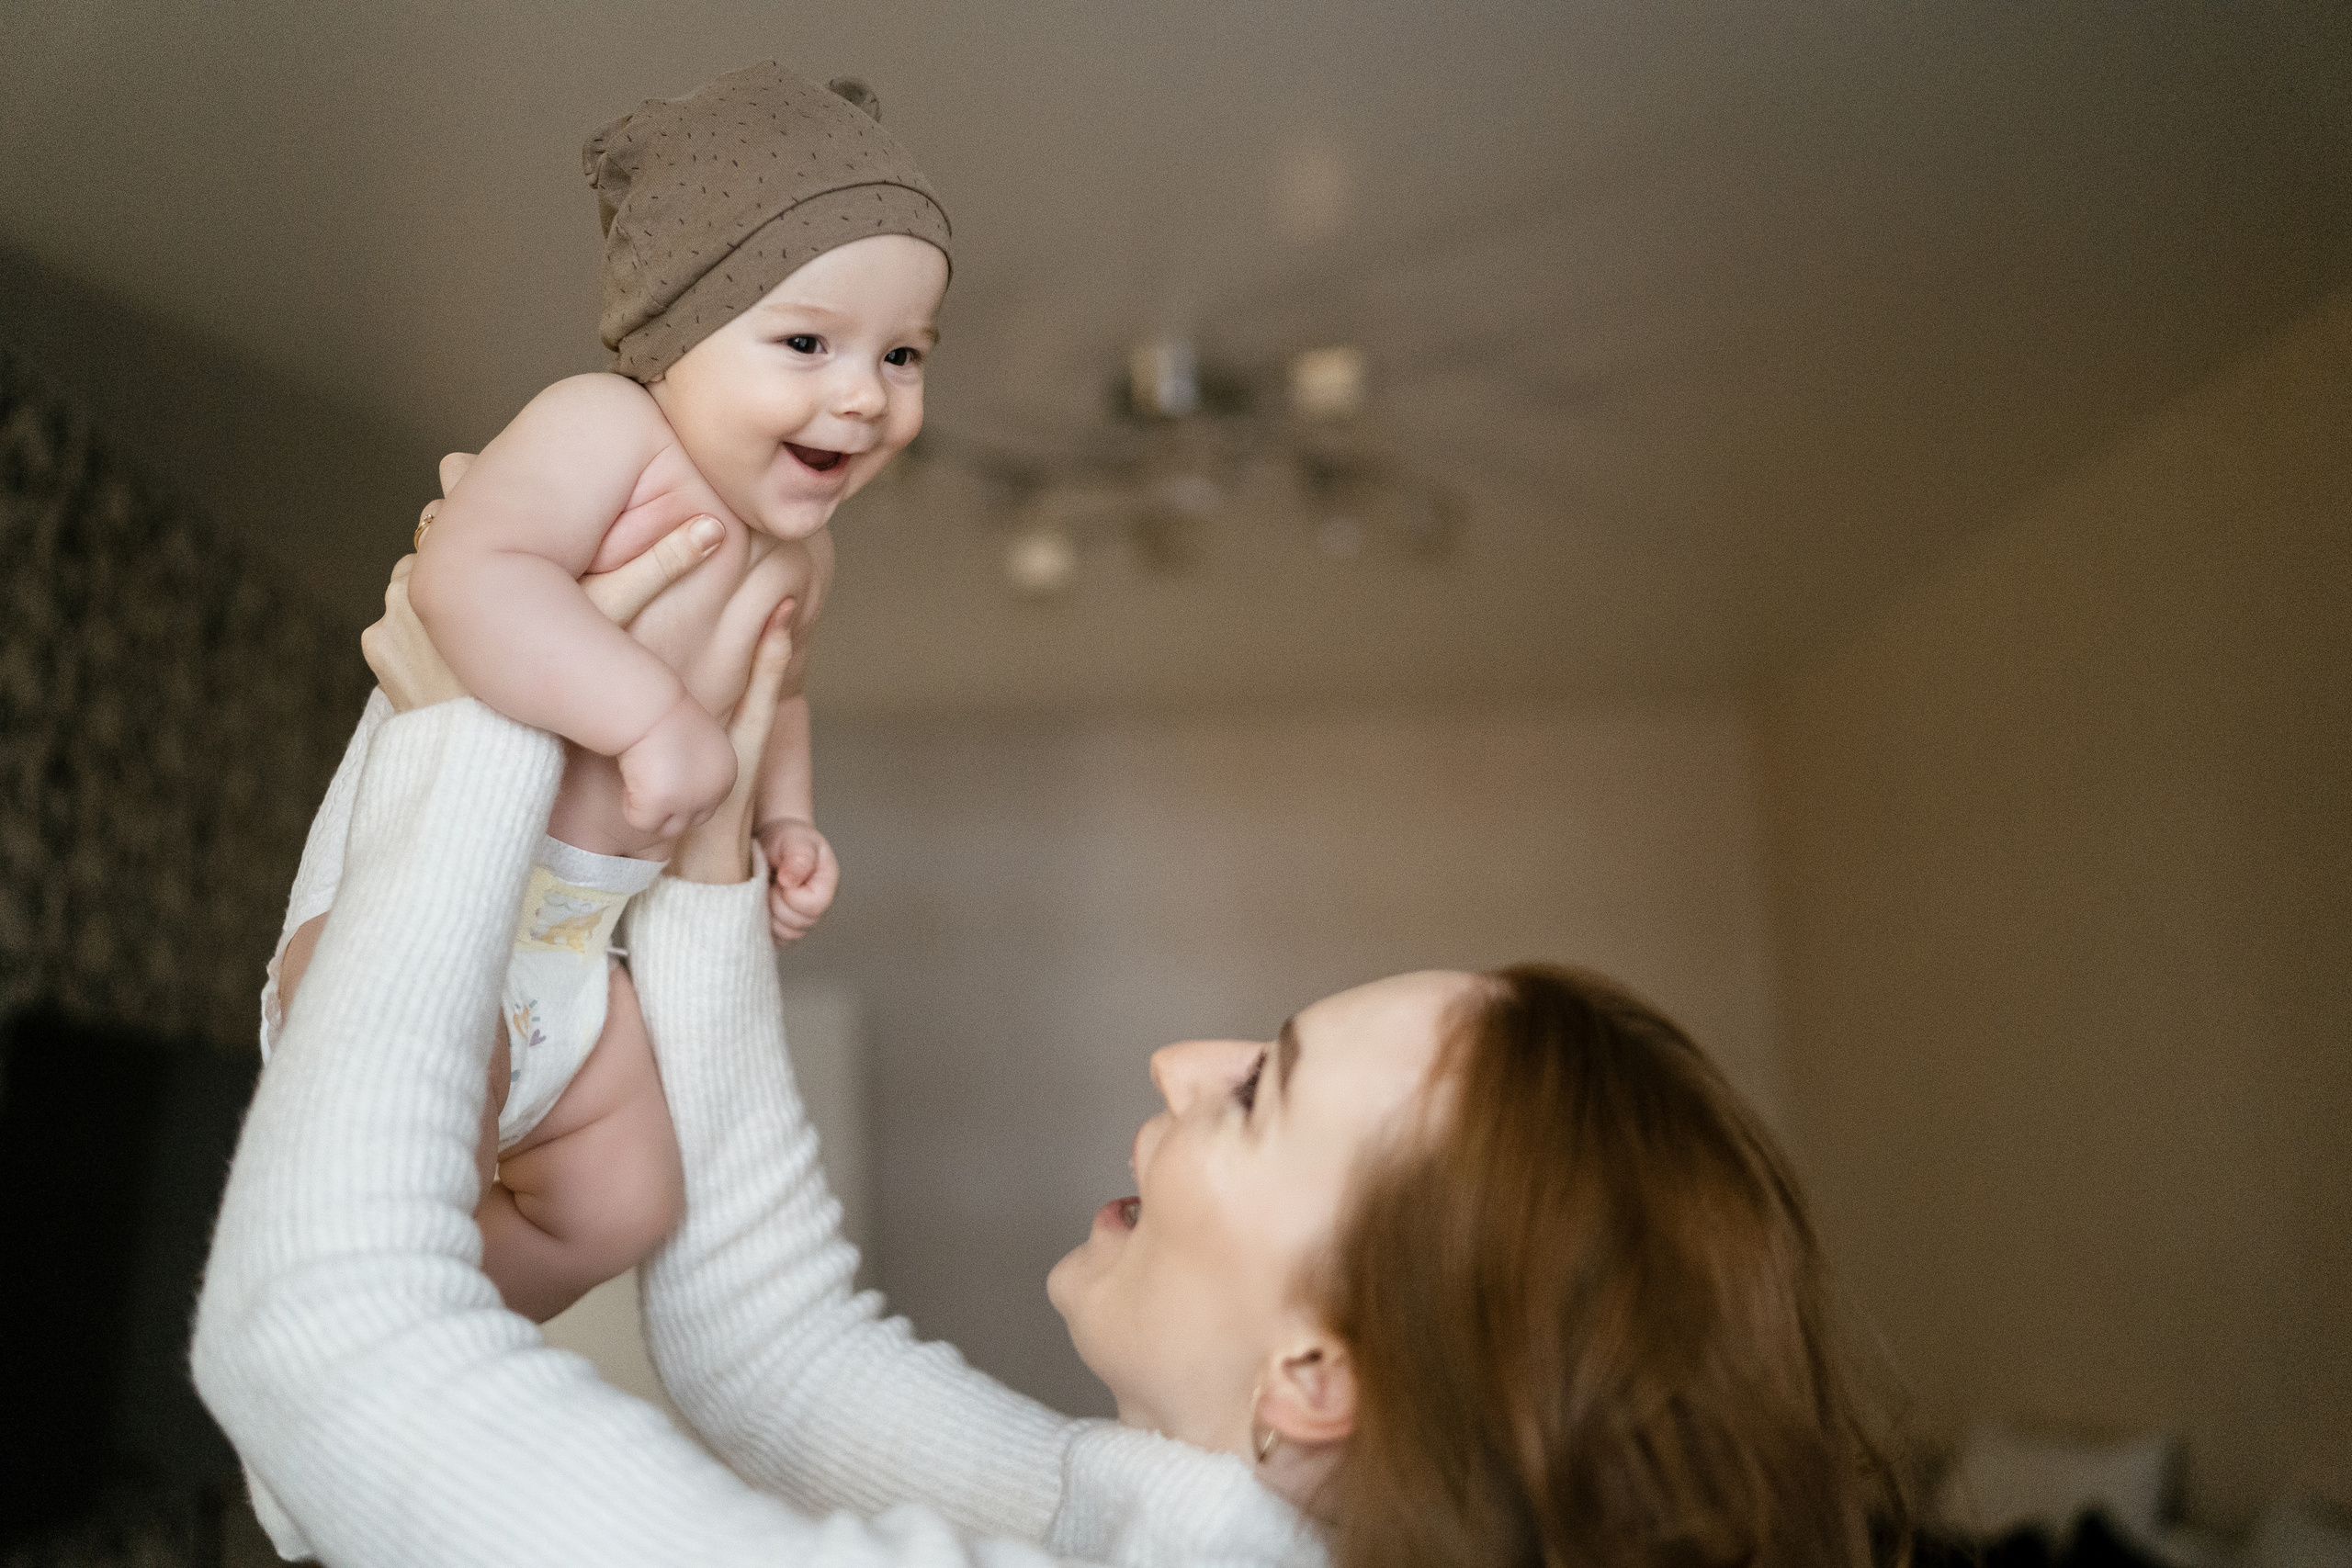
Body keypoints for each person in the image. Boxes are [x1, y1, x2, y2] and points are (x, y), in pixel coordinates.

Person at [194, 530, 1906, 1567]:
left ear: (1318, 1376)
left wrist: (472, 733)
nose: (1182, 1062)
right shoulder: (1202, 1523)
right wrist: (711, 839)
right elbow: (777, 1358)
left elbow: (317, 1340)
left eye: (1262, 1091)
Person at [262, 60, 954, 1320]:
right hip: (414, 908)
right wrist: (651, 718)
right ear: (675, 336)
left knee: (628, 1201)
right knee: (427, 1117)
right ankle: (360, 1301)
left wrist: (785, 817)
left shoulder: (809, 559)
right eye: (808, 343)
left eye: (904, 354)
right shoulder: (605, 430)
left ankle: (442, 1334)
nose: (865, 395)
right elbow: (467, 576)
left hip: (578, 952)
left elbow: (782, 696)